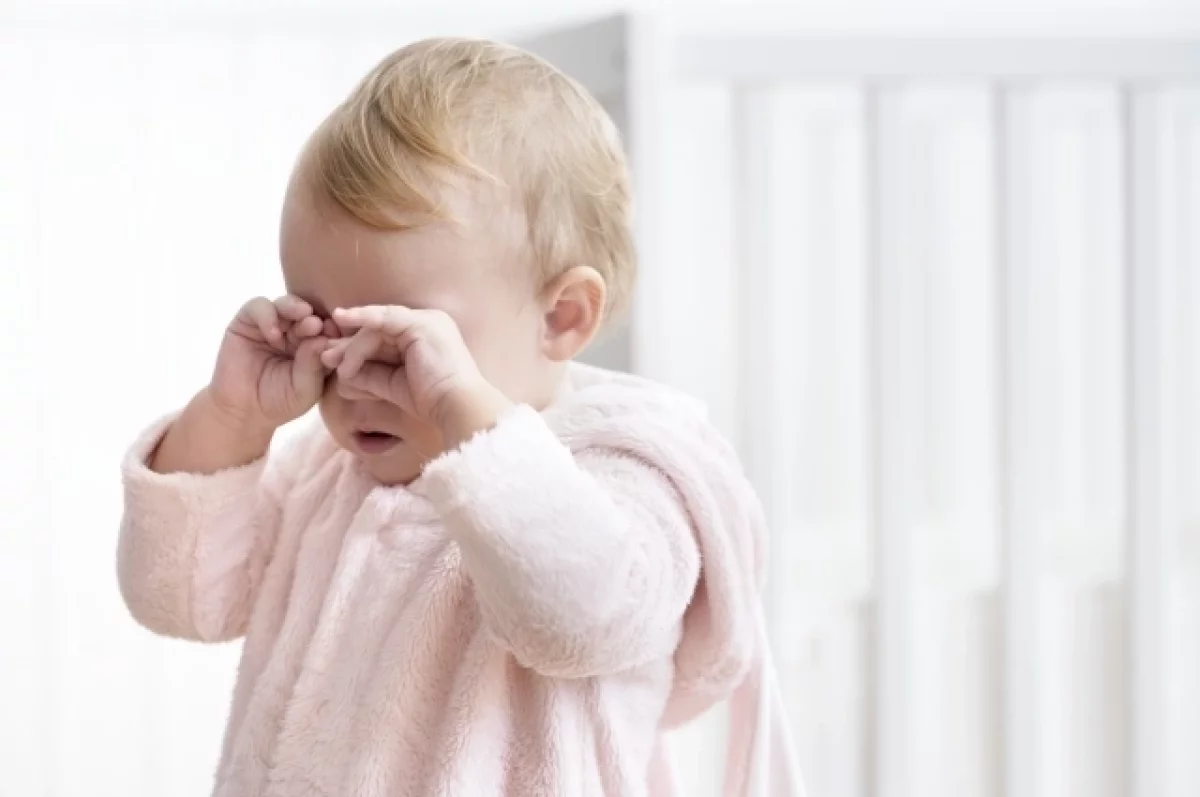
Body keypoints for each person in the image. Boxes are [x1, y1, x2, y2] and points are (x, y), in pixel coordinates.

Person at [117, 36, 800, 797]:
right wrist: (232, 416)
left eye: (403, 341)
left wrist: (463, 415)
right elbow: (182, 599)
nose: (350, 377)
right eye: (324, 327)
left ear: (562, 316)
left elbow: (584, 617)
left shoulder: (625, 472)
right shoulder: (325, 470)